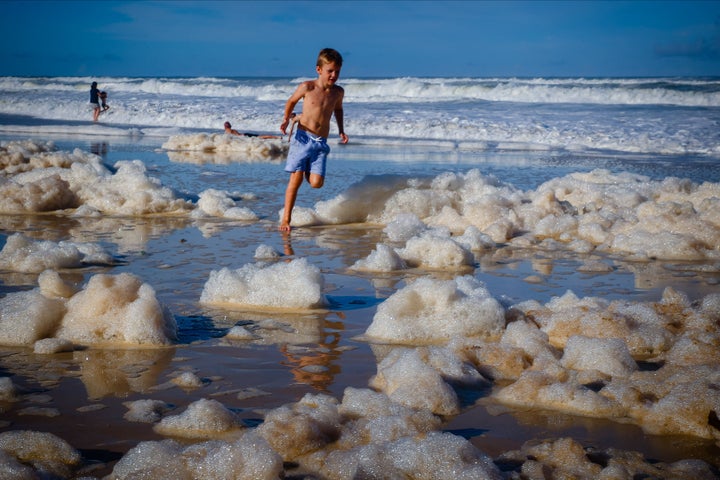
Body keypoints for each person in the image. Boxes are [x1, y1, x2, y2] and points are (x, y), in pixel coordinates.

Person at [278, 48, 348, 231]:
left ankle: (307, 167)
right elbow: (291, 101)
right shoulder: (307, 87)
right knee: (296, 179)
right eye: (330, 71)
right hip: (302, 138)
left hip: (320, 143)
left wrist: (341, 130)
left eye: (337, 71)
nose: (334, 75)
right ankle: (286, 219)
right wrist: (286, 118)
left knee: (317, 183)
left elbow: (338, 110)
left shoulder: (338, 92)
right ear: (319, 70)